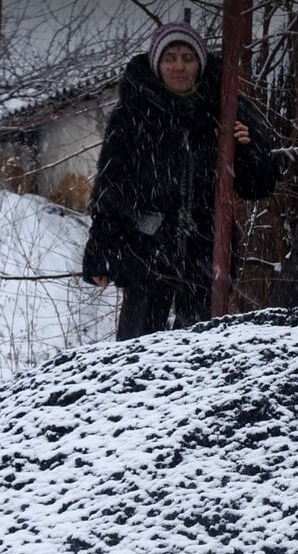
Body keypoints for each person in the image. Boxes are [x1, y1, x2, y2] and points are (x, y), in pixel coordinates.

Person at [82, 21, 281, 340]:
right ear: (157, 63)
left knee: (200, 343)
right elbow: (110, 188)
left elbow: (260, 184)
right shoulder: (133, 113)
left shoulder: (227, 106)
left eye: (187, 58)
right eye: (170, 58)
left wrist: (247, 148)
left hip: (207, 247)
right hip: (146, 245)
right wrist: (100, 253)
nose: (178, 66)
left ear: (200, 64)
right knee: (138, 346)